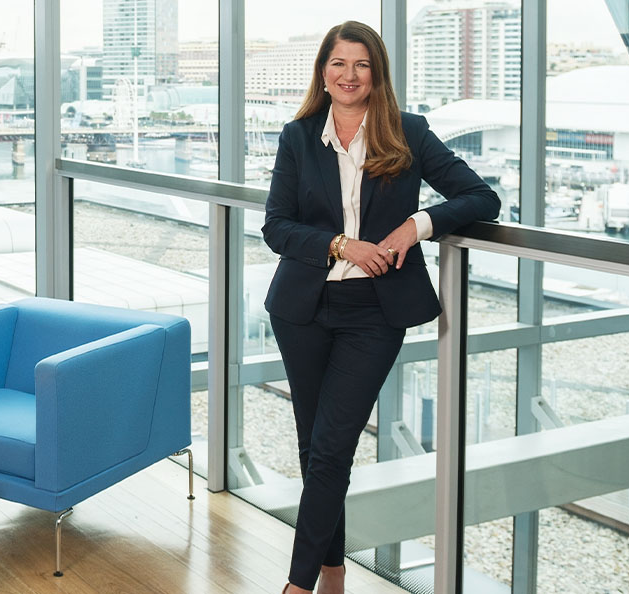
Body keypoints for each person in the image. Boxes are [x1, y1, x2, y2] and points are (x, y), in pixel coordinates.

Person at [262, 20, 500, 594]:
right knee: (314, 447)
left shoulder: (409, 132)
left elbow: (481, 197)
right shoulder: (298, 136)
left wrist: (414, 227)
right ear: (323, 70)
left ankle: (297, 586)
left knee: (332, 446)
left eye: (361, 65)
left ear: (377, 74)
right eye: (339, 63)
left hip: (374, 312)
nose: (349, 75)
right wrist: (341, 244)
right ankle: (333, 572)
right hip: (302, 307)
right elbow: (277, 227)